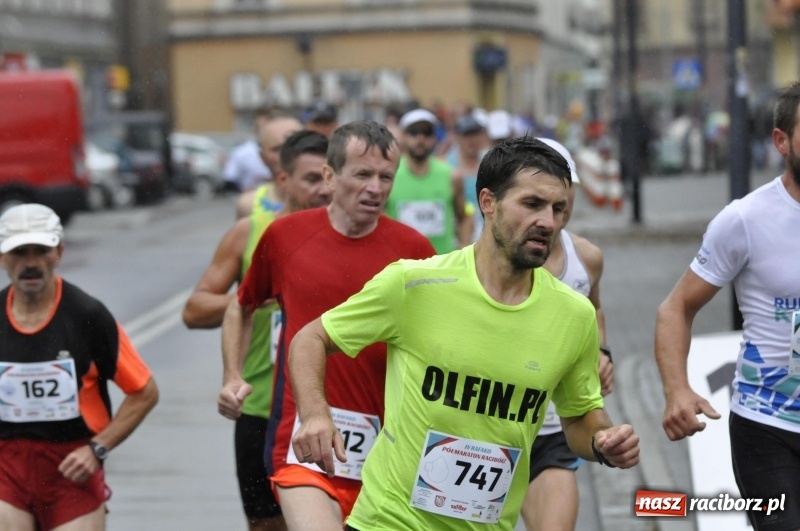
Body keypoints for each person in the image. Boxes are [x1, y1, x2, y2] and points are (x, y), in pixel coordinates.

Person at [289, 136, 640, 531]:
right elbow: (310, 339)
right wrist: (316, 415)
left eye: (558, 208)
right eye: (532, 204)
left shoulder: (574, 314)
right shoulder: (415, 284)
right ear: (488, 203)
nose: (548, 221)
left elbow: (578, 419)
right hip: (390, 521)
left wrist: (603, 441)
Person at [219, 120, 435, 531]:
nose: (376, 187)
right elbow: (241, 306)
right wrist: (232, 375)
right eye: (362, 175)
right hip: (300, 439)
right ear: (330, 176)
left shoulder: (414, 251)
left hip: (386, 448)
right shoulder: (286, 236)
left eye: (386, 176)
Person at [655, 81, 800, 531]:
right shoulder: (745, 219)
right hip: (768, 423)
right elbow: (675, 308)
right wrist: (677, 390)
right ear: (782, 141)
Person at [183, 130, 331, 531]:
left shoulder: (351, 237)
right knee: (267, 525)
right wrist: (254, 298)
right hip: (262, 410)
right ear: (283, 180)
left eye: (328, 177)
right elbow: (194, 309)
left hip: (335, 411)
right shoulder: (251, 232)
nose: (323, 190)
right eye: (311, 179)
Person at [0, 203, 159, 530]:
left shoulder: (87, 314)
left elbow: (144, 392)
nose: (30, 263)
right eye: (19, 252)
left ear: (58, 252)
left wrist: (98, 448)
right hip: (7, 466)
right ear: (3, 258)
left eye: (40, 251)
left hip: (71, 466)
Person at [521, 137, 614, 531]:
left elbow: (593, 309)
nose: (555, 205)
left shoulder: (587, 257)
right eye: (535, 199)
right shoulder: (481, 262)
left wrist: (602, 352)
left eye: (564, 188)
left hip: (555, 430)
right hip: (489, 431)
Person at [385, 108, 470, 253]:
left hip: (442, 267)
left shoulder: (451, 176)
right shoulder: (388, 175)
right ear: (403, 136)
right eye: (414, 132)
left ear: (434, 137)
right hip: (401, 267)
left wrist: (464, 248)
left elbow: (464, 217)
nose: (420, 139)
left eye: (427, 132)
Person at [235, 113, 303, 219]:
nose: (287, 155)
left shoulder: (326, 197)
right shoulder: (249, 205)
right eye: (277, 149)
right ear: (262, 157)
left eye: (294, 146)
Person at [444, 113, 489, 243]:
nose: (471, 140)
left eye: (475, 135)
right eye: (466, 135)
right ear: (457, 137)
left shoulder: (490, 162)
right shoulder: (446, 164)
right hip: (456, 234)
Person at [224, 107, 274, 193]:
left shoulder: (284, 150)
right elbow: (229, 180)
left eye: (266, 127)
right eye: (260, 127)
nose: (263, 130)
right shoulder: (241, 153)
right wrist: (244, 191)